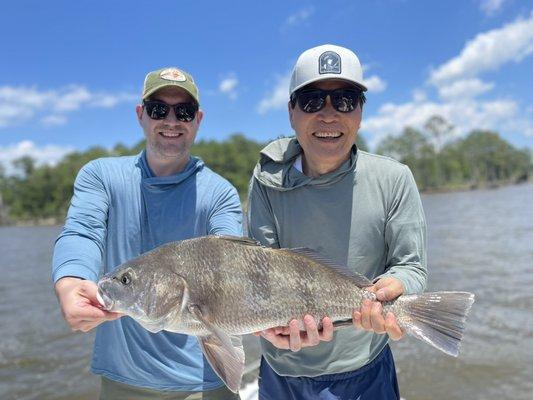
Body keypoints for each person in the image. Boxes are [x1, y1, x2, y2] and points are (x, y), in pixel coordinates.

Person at [247, 44, 427, 399]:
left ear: (360, 111)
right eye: (312, 101)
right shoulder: (265, 179)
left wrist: (393, 286)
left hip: (364, 370)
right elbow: (258, 274)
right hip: (281, 370)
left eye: (345, 100)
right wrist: (264, 327)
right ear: (291, 112)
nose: (328, 115)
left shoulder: (395, 178)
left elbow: (412, 267)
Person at [52, 67, 242, 400]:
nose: (171, 120)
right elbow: (83, 232)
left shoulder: (219, 193)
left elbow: (239, 266)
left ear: (197, 119)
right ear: (141, 115)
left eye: (183, 111)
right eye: (158, 109)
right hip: (123, 382)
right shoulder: (101, 176)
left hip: (207, 382)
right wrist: (71, 282)